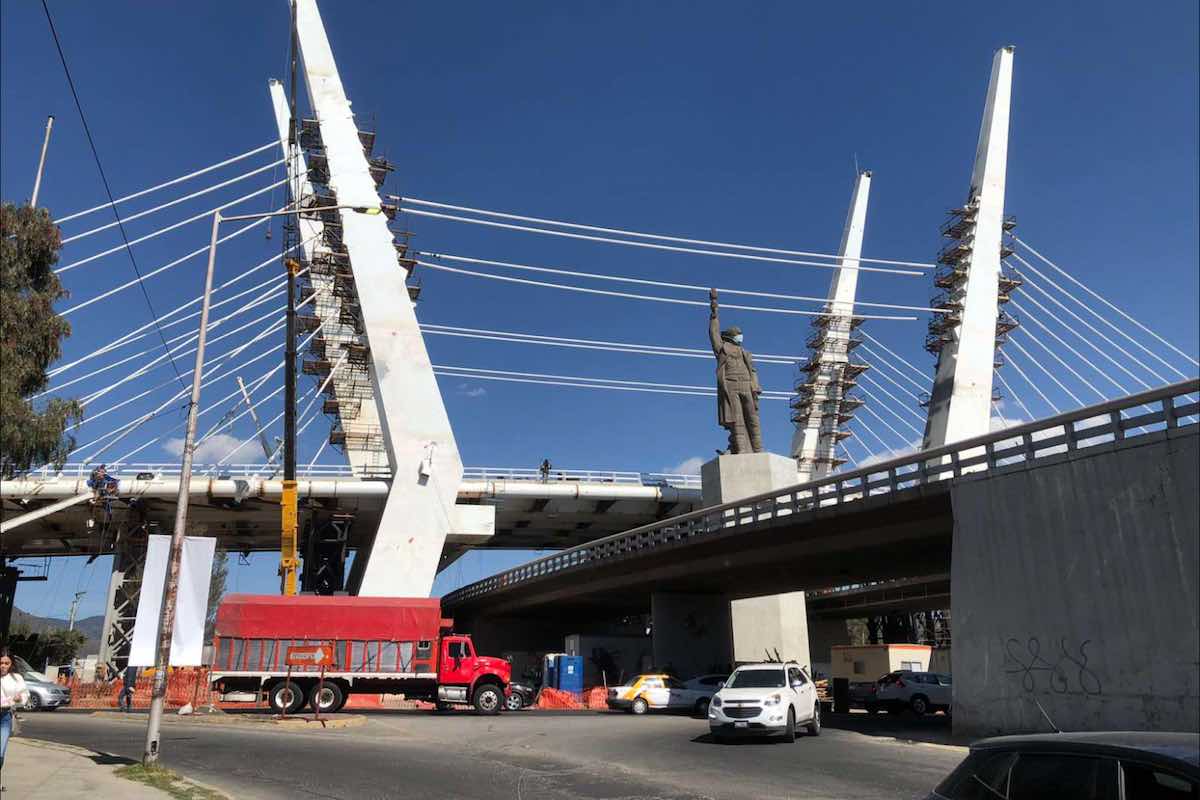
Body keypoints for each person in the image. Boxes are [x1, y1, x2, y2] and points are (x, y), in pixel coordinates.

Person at [708, 289, 763, 453]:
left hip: (747, 385)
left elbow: (753, 370)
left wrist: (756, 386)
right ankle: (740, 450)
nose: (740, 337)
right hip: (730, 385)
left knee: (753, 419)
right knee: (737, 420)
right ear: (731, 336)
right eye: (738, 334)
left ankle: (759, 450)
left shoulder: (746, 353)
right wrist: (714, 314)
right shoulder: (722, 349)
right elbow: (713, 333)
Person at [1, 647, 31, 782]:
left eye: (6, 663)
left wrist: (20, 699)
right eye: (1, 663)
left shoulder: (16, 678)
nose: (3, 666)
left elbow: (25, 695)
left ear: (11, 663)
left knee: (0, 753)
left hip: (5, 717)